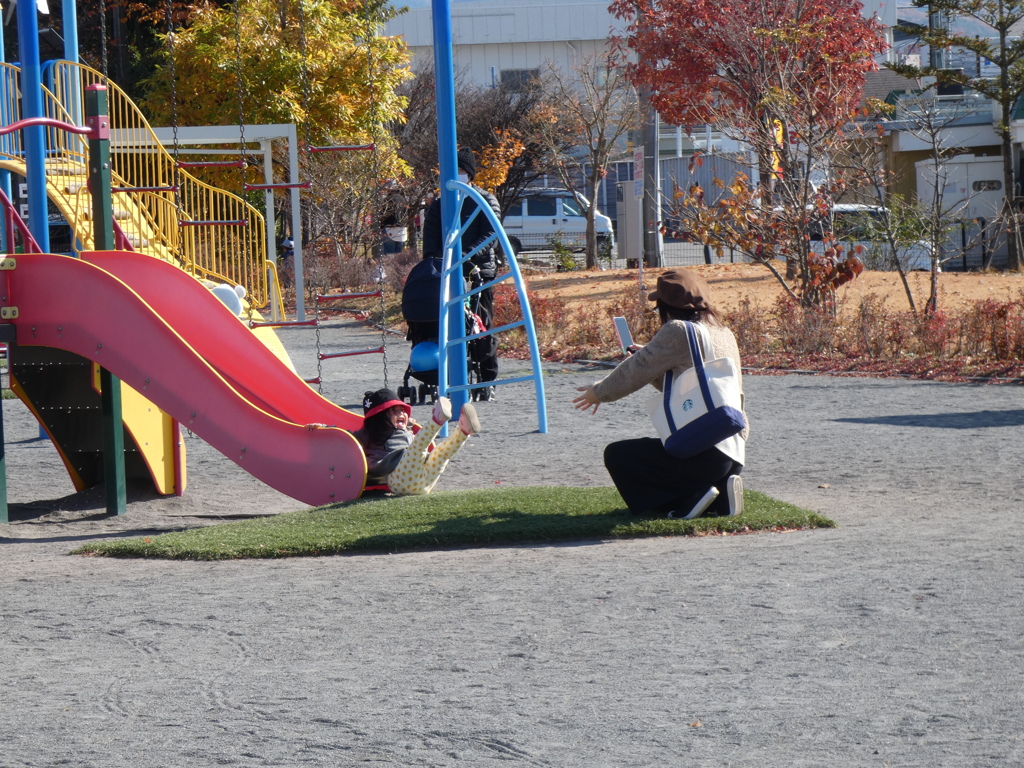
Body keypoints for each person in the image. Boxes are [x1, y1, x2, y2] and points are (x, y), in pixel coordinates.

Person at [572, 268, 749, 519]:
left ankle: (687, 500)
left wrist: (598, 393)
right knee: (659, 455)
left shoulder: (677, 330)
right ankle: (719, 495)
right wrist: (657, 360)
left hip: (702, 451)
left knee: (618, 455)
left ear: (665, 305)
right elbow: (690, 386)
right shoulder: (722, 331)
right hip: (732, 451)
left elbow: (635, 370)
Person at [422, 147, 502, 401]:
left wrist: (465, 255)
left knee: (480, 323)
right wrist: (432, 265)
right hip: (446, 273)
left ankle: (486, 378)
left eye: (461, 170)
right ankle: (441, 374)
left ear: (470, 174)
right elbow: (430, 239)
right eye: (451, 170)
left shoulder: (484, 199)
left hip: (479, 271)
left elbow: (492, 234)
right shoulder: (439, 204)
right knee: (441, 325)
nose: (456, 175)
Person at [351, 388, 481, 495]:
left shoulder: (407, 431)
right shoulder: (370, 433)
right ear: (379, 418)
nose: (401, 414)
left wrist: (409, 428)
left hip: (424, 483)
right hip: (398, 480)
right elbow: (349, 441)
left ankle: (463, 431)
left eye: (402, 411)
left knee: (440, 454)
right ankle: (436, 420)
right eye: (394, 412)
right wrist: (332, 432)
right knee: (418, 448)